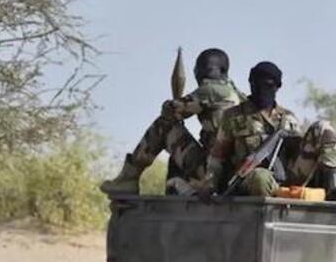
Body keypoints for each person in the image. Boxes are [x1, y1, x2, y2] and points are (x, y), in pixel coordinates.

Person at [100, 48, 244, 195]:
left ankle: (128, 178)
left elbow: (170, 111)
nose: (197, 73)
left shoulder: (212, 90)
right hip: (232, 172)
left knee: (165, 125)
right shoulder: (238, 95)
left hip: (213, 172)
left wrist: (170, 103)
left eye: (200, 68)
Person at [200, 61, 301, 197]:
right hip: (247, 181)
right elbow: (218, 157)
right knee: (261, 177)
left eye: (267, 85)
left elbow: (298, 156)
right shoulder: (233, 116)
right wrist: (210, 185)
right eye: (256, 84)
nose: (261, 89)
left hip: (283, 183)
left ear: (277, 87)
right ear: (250, 83)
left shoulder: (289, 119)